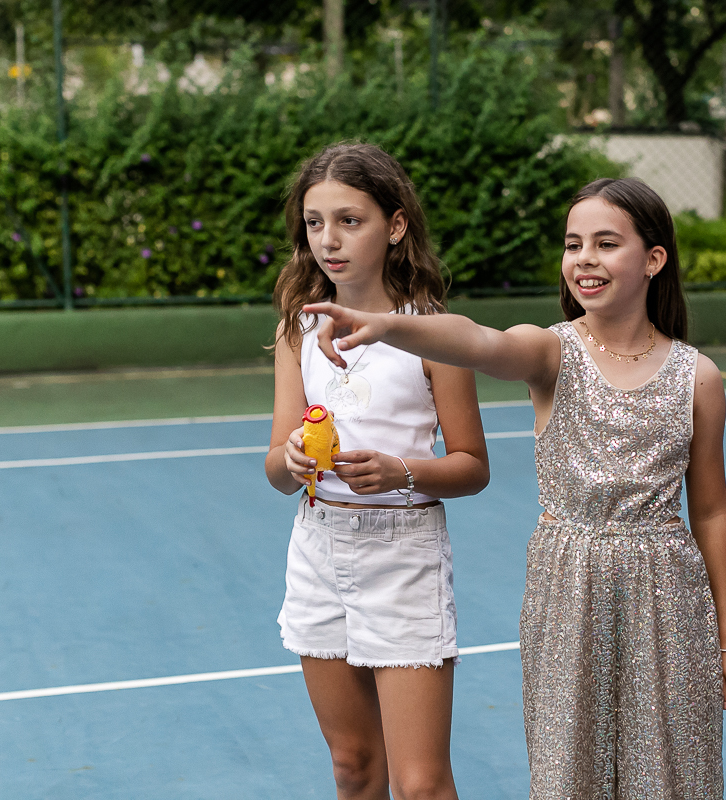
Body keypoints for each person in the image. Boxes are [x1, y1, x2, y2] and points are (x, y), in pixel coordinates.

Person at [304, 177, 726, 799]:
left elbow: (710, 511)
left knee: (673, 775)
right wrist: (386, 326)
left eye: (606, 243)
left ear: (654, 260)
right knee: (568, 775)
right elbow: (479, 342)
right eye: (573, 245)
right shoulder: (553, 353)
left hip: (668, 599)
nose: (585, 260)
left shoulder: (697, 375)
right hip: (567, 591)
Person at [263, 142, 490, 800]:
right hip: (317, 549)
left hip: (404, 558)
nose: (328, 240)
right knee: (353, 766)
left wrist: (402, 471)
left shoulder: (435, 333)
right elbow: (276, 468)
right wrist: (293, 461)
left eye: (349, 220)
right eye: (314, 223)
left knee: (419, 784)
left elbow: (472, 467)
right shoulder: (296, 332)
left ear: (395, 227)